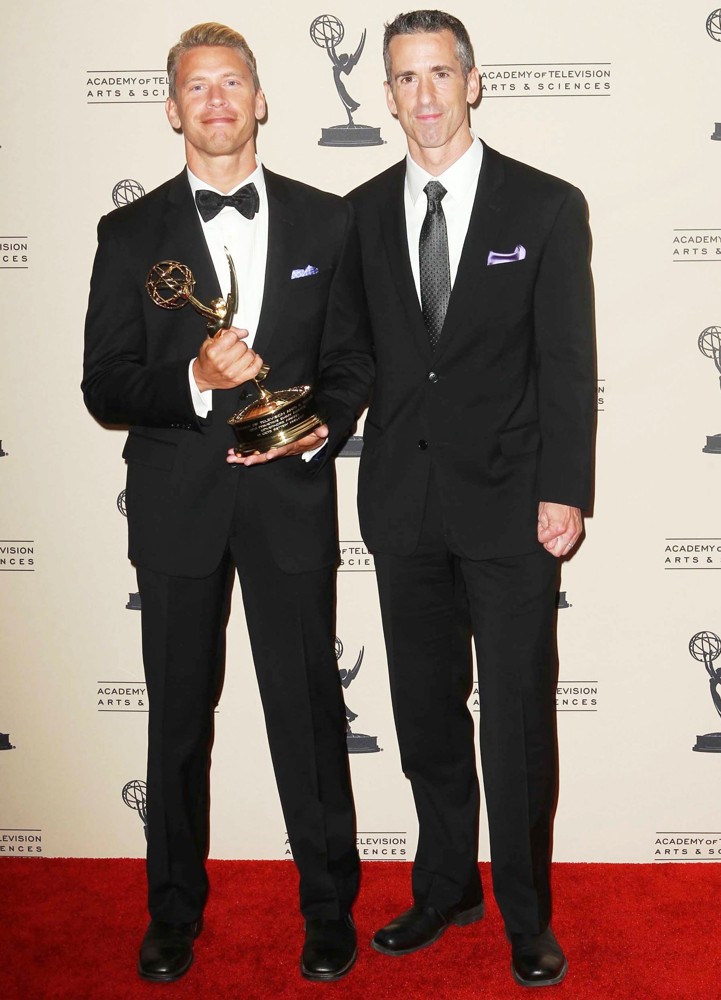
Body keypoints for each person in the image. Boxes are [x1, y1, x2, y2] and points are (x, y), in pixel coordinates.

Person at [82, 22, 373, 985]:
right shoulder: (128, 236)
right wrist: (198, 381)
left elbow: (349, 361)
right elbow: (105, 385)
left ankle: (328, 909)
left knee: (306, 713)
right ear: (172, 109)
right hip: (174, 511)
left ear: (260, 102)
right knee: (176, 721)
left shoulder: (329, 222)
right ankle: (172, 914)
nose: (215, 100)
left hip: (288, 499)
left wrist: (319, 420)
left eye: (232, 83)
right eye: (196, 87)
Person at [347, 10, 595, 988]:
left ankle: (526, 914)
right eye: (405, 78)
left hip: (511, 509)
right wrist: (295, 416)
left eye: (440, 74)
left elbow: (566, 364)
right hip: (402, 505)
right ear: (388, 95)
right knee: (424, 712)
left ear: (473, 81)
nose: (425, 96)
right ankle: (445, 884)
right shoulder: (358, 214)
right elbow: (352, 358)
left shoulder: (543, 205)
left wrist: (564, 489)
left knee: (518, 718)